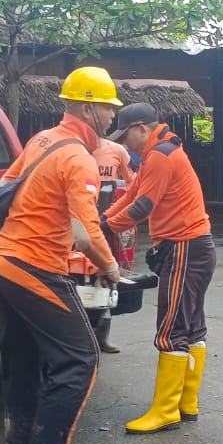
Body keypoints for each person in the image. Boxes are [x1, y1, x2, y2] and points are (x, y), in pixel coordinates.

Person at [0, 66, 122, 444]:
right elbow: (85, 233)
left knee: (24, 362)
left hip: (3, 263)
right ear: (87, 106)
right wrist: (110, 266)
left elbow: (3, 188)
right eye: (107, 108)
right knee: (81, 357)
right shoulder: (78, 157)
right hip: (35, 265)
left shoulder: (42, 140)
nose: (112, 117)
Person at [102, 102, 215, 434]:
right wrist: (105, 219)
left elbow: (142, 206)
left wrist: (105, 228)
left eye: (126, 137)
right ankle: (185, 403)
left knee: (172, 329)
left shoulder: (162, 156)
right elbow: (133, 193)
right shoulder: (157, 154)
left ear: (141, 128)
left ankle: (166, 411)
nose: (124, 144)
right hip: (192, 246)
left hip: (185, 247)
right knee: (192, 327)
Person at [89, 134, 137, 354]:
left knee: (108, 278)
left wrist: (126, 220)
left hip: (107, 224)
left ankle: (102, 336)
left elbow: (134, 184)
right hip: (78, 222)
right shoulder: (75, 149)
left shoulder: (117, 151)